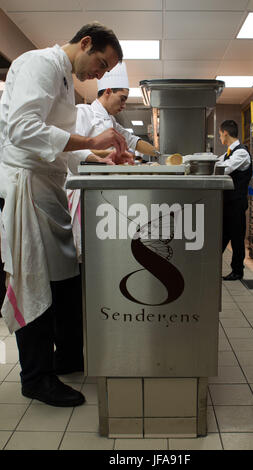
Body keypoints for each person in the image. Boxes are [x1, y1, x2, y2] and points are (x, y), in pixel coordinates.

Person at [0, 22, 128, 407]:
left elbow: (60, 147)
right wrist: (91, 141)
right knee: (35, 280)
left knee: (66, 279)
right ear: (85, 43)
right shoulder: (38, 63)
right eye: (101, 63)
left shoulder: (64, 81)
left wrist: (99, 155)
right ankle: (36, 377)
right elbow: (22, 129)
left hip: (50, 187)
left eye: (106, 71)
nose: (99, 75)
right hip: (27, 187)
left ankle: (68, 357)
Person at [67, 61, 158, 259]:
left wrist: (160, 154)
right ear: (107, 91)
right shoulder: (84, 112)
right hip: (85, 193)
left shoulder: (112, 122)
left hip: (106, 192)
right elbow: (73, 152)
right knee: (88, 251)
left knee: (104, 248)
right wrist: (103, 158)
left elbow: (132, 140)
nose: (124, 105)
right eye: (122, 99)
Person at [215, 120, 252, 281]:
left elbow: (225, 168)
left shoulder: (241, 153)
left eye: (219, 134)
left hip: (237, 202)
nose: (219, 137)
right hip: (229, 202)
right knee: (224, 235)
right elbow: (218, 161)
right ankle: (212, 264)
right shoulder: (229, 152)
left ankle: (238, 271)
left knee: (236, 238)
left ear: (225, 133)